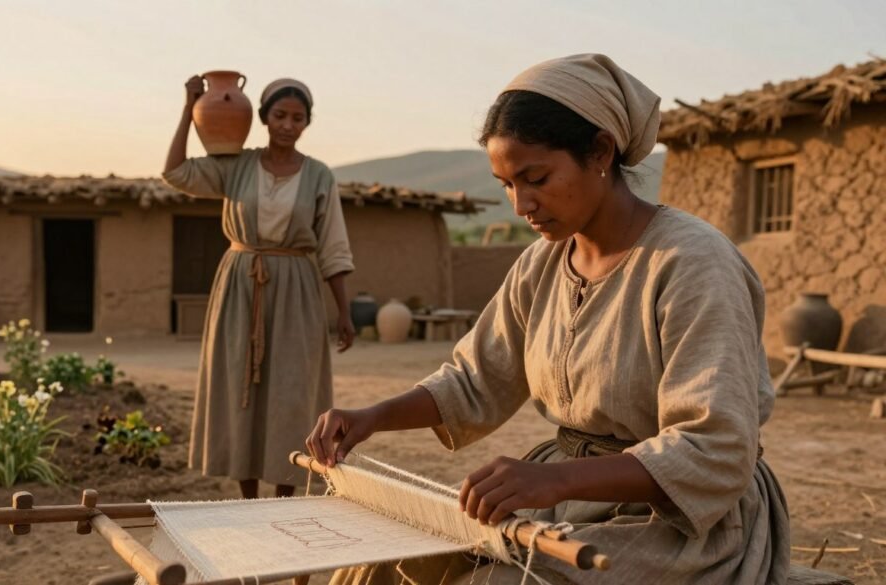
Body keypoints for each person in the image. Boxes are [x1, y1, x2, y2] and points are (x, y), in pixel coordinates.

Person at [307, 54, 790, 584]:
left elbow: (714, 449)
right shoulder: (543, 262)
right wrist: (373, 416)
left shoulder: (693, 263)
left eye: (535, 178)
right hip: (567, 500)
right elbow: (475, 378)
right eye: (507, 184)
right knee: (382, 567)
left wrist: (555, 481)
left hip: (678, 525)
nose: (521, 204)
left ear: (601, 151)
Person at [164, 75, 355, 499]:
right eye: (280, 115)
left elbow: (334, 247)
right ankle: (248, 497)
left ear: (307, 123)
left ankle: (283, 496)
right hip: (239, 285)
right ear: (264, 118)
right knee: (239, 388)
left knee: (292, 390)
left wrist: (344, 312)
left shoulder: (320, 175)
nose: (288, 125)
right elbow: (175, 171)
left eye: (298, 118)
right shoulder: (235, 166)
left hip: (297, 291)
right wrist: (188, 106)